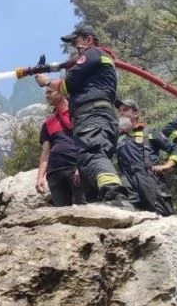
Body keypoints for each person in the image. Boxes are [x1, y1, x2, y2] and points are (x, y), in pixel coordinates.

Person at [34, 24, 132, 208]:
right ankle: (98, 205)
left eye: (76, 42)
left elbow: (67, 85)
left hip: (92, 114)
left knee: (91, 155)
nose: (75, 48)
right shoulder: (98, 59)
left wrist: (46, 81)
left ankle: (115, 195)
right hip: (96, 116)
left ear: (89, 40)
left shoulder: (93, 53)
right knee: (87, 164)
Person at [115, 99, 177, 216]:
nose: (121, 113)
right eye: (119, 111)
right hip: (127, 181)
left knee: (162, 216)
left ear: (136, 113)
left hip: (149, 177)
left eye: (125, 110)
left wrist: (168, 165)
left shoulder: (149, 132)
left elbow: (175, 148)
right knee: (129, 216)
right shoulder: (118, 138)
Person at [35, 86, 84, 206]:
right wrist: (40, 177)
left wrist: (81, 167)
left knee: (83, 207)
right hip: (54, 173)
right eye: (46, 93)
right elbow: (45, 152)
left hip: (74, 168)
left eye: (50, 92)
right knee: (61, 213)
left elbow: (86, 141)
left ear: (62, 92)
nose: (46, 96)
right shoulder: (48, 123)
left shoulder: (78, 113)